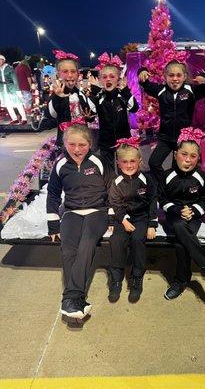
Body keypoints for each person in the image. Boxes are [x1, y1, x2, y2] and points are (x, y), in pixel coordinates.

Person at [46, 124, 115, 319]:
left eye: (82, 145)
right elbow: (52, 195)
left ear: (90, 144)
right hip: (71, 212)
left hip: (97, 211)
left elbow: (112, 189)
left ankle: (71, 297)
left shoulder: (99, 162)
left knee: (87, 243)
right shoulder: (60, 165)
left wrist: (110, 216)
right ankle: (74, 301)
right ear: (64, 143)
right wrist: (53, 224)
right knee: (68, 249)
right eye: (72, 144)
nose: (77, 150)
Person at [158, 127, 205, 300]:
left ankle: (181, 280)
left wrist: (194, 210)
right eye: (183, 154)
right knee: (179, 225)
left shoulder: (202, 176)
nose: (187, 160)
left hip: (194, 216)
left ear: (198, 159)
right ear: (175, 154)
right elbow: (162, 200)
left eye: (193, 156)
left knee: (181, 243)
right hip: (174, 215)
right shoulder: (167, 175)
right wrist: (178, 209)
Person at [138, 59, 205, 184]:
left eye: (179, 75)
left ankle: (177, 188)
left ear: (184, 77)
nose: (175, 79)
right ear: (165, 77)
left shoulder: (191, 90)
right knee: (154, 162)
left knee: (178, 167)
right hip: (165, 138)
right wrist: (142, 71)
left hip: (183, 139)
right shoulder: (161, 90)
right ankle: (165, 183)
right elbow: (146, 84)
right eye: (171, 75)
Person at [108, 136, 157, 303]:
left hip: (141, 218)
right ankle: (116, 278)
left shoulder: (146, 180)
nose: (129, 165)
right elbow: (115, 203)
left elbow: (152, 202)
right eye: (124, 162)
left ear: (140, 161)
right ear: (118, 163)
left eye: (132, 161)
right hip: (122, 219)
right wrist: (123, 221)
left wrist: (152, 224)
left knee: (137, 240)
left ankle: (137, 278)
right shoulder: (116, 182)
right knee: (116, 241)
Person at [89, 52, 139, 167]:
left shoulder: (122, 96)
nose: (108, 80)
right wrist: (94, 91)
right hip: (106, 144)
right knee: (108, 170)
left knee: (124, 167)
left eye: (112, 76)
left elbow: (134, 108)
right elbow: (91, 112)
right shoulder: (99, 97)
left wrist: (126, 91)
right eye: (105, 77)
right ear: (101, 79)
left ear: (118, 78)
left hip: (124, 141)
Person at [47, 50, 96, 148]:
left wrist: (89, 117)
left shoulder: (80, 94)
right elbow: (50, 115)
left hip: (82, 141)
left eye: (73, 71)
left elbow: (91, 113)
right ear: (58, 74)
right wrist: (58, 98)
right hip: (65, 143)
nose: (70, 75)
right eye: (65, 71)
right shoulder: (56, 95)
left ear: (78, 74)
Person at [0, 54, 27, 124]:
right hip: (3, 89)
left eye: (0, 60)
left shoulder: (9, 68)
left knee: (18, 103)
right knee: (7, 105)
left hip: (11, 88)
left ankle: (24, 118)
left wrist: (17, 90)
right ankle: (14, 119)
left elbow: (15, 79)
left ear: (3, 60)